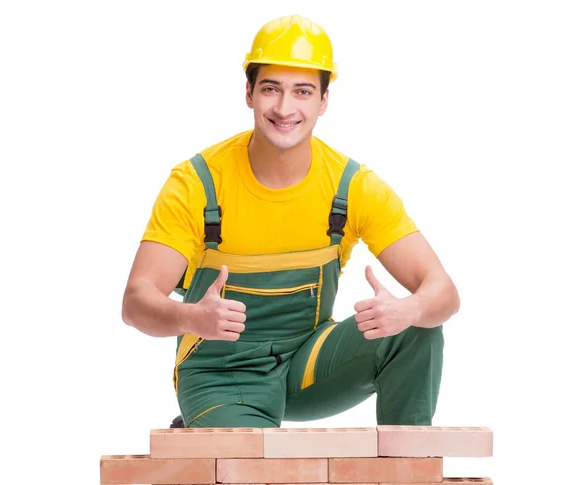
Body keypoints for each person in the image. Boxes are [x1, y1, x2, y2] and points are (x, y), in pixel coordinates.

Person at [121, 14, 460, 429]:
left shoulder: (350, 187)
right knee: (254, 468)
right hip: (221, 378)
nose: (284, 108)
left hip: (306, 364)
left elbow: (444, 292)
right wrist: (190, 318)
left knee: (417, 329)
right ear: (248, 93)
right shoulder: (197, 184)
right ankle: (214, 426)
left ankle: (408, 470)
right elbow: (136, 300)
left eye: (302, 91)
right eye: (270, 89)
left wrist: (410, 308)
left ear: (323, 100)